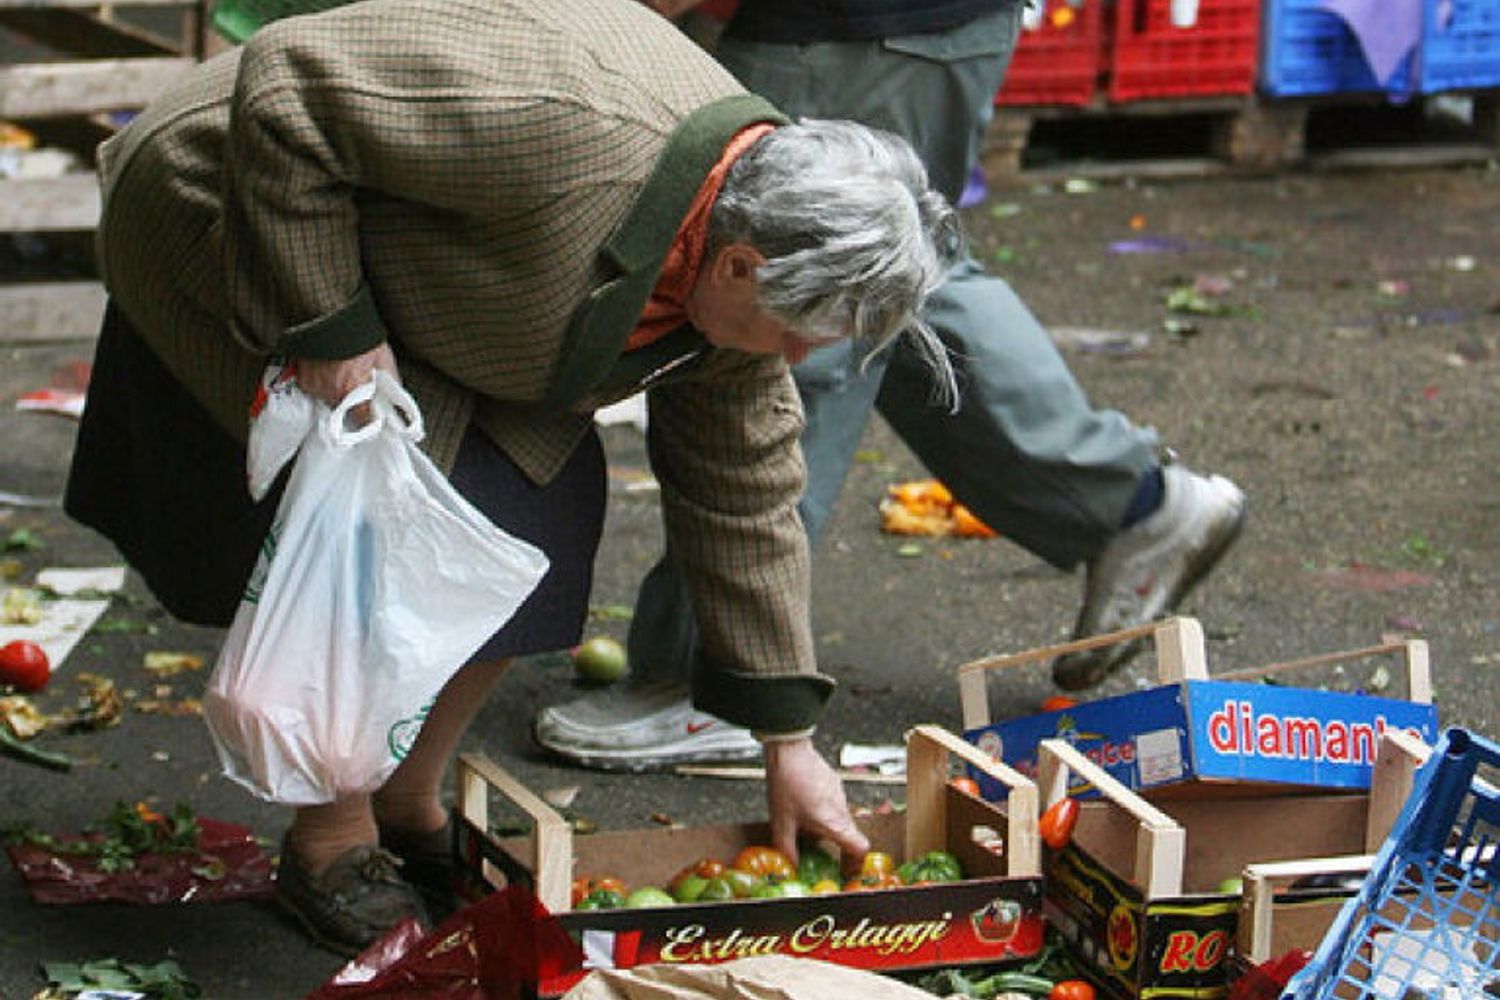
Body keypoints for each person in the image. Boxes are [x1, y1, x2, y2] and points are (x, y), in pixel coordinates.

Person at [62, 0, 962, 955]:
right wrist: (331, 327)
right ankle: (332, 838)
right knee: (393, 521)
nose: (795, 355)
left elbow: (744, 491)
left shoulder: (743, 265)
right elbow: (285, 83)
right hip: (241, 204)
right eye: (797, 330)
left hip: (446, 275)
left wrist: (788, 743)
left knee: (542, 523)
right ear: (739, 263)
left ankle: (410, 797)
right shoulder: (563, 123)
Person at [533, 0, 1247, 770]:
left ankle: (716, 680)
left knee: (780, 305)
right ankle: (1129, 505)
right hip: (923, 28)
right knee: (880, 267)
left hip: (848, 30)